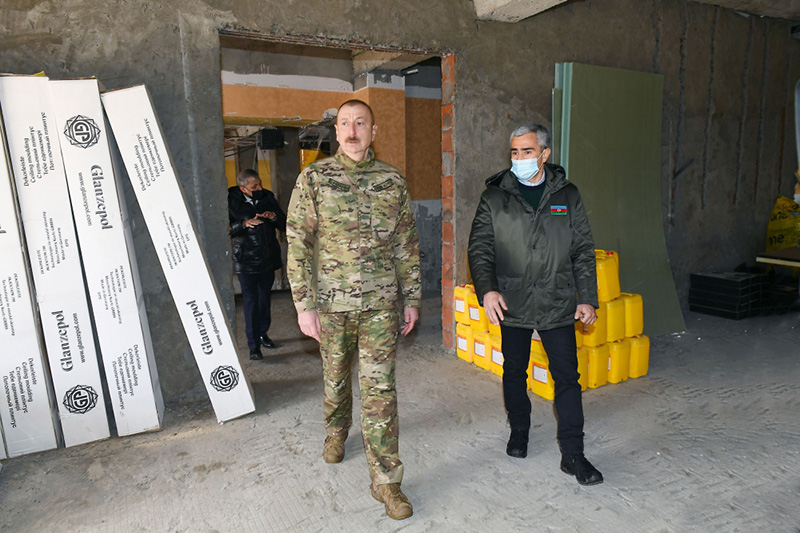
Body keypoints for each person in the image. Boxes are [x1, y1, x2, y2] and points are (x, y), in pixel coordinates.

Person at [286, 99, 421, 520]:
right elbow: (298, 244)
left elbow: (406, 244)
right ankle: (336, 430)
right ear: (336, 131)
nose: (351, 130)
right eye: (344, 123)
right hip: (331, 303)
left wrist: (412, 297)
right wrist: (304, 305)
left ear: (373, 131)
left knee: (380, 390)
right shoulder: (315, 178)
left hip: (381, 302)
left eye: (360, 123)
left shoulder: (392, 181)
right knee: (336, 376)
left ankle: (386, 482)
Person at [467, 123, 604, 486]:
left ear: (544, 154)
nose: (519, 159)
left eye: (527, 152)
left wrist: (587, 298)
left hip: (557, 299)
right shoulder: (495, 197)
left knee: (567, 377)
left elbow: (582, 251)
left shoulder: (567, 195)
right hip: (512, 300)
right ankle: (520, 429)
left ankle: (573, 454)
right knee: (514, 370)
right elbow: (480, 249)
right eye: (514, 152)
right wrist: (488, 290)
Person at [228, 168, 286, 360]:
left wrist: (273, 217)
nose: (260, 188)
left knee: (264, 300)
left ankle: (263, 333)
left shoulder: (267, 197)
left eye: (260, 184)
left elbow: (284, 224)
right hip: (246, 261)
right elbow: (224, 230)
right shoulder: (231, 201)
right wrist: (243, 224)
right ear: (243, 188)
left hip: (267, 258)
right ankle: (253, 346)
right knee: (250, 301)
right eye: (255, 186)